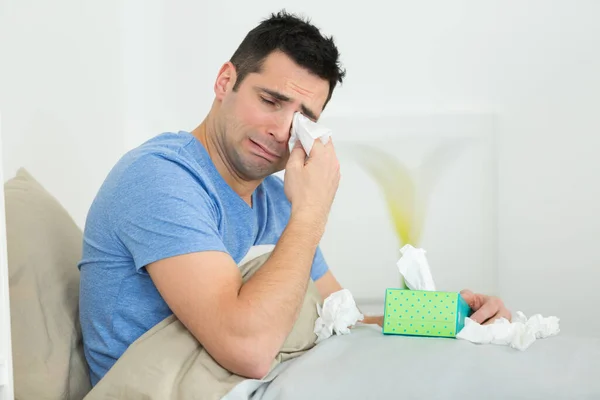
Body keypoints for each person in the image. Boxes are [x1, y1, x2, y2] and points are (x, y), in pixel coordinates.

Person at [78, 10, 511, 386]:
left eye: (304, 118)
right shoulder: (160, 178)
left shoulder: (275, 199)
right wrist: (312, 210)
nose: (284, 132)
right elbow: (247, 349)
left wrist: (449, 318)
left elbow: (342, 319)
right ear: (225, 81)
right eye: (270, 101)